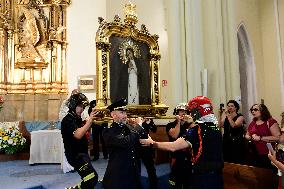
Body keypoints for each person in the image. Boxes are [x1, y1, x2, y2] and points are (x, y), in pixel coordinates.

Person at [141, 96, 224, 189]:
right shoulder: (215, 128)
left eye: (191, 111)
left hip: (202, 177)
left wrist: (152, 143)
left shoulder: (197, 130)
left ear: (198, 111)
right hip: (217, 176)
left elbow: (173, 146)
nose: (189, 114)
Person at [102, 98, 142, 189]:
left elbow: (140, 136)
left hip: (132, 172)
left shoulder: (127, 127)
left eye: (125, 112)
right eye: (121, 112)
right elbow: (125, 142)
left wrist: (138, 125)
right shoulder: (108, 131)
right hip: (118, 175)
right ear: (113, 115)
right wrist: (138, 126)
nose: (125, 115)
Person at [61, 93, 98, 189]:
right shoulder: (68, 120)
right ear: (73, 105)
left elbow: (84, 134)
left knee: (92, 178)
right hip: (75, 156)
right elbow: (78, 135)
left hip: (82, 154)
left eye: (83, 107)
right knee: (91, 179)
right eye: (79, 106)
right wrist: (89, 121)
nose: (81, 109)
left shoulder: (77, 118)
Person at [245, 103, 281, 169]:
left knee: (269, 174)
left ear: (262, 110)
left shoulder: (270, 121)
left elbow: (277, 137)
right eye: (252, 110)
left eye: (255, 109)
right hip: (255, 153)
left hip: (268, 153)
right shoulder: (253, 122)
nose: (253, 111)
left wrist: (260, 138)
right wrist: (249, 137)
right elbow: (247, 134)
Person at [166, 103, 193, 189]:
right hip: (176, 157)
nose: (183, 113)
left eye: (185, 111)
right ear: (177, 113)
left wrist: (191, 122)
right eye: (181, 111)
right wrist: (178, 122)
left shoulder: (190, 125)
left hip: (189, 157)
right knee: (175, 182)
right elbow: (174, 135)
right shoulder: (170, 125)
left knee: (188, 182)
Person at [130, 118, 158, 189]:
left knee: (150, 167)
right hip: (135, 146)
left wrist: (149, 122)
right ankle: (137, 185)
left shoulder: (147, 118)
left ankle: (153, 185)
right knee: (136, 168)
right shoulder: (133, 118)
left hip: (146, 146)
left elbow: (154, 130)